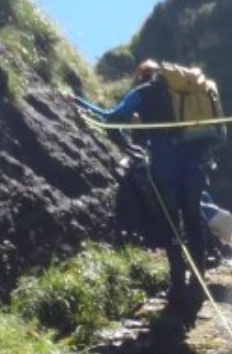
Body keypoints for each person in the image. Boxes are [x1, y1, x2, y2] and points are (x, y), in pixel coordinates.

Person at [77, 61, 222, 317]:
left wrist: (79, 103)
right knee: (193, 218)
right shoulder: (189, 91)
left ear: (142, 76)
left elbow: (112, 119)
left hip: (166, 164)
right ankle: (197, 284)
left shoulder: (144, 92)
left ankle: (177, 285)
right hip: (197, 162)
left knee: (170, 222)